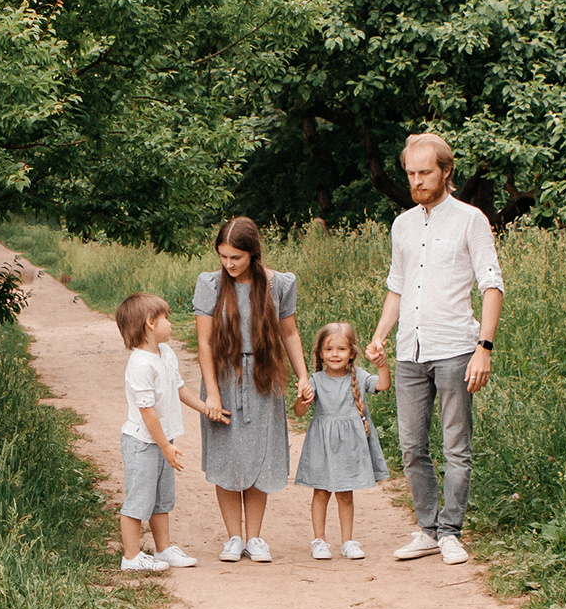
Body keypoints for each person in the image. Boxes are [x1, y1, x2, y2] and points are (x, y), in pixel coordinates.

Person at [365, 132, 504, 565]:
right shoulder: (402, 224)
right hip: (409, 349)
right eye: (411, 173)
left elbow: (492, 284)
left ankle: (451, 532)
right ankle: (426, 528)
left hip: (455, 348)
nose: (417, 181)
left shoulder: (470, 220)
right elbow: (397, 286)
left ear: (446, 170)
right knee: (411, 446)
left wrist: (484, 347)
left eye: (425, 172)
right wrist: (380, 335)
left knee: (455, 445)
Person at [194, 217, 312, 562]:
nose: (229, 264)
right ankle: (233, 537)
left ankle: (255, 538)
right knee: (227, 456)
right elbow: (203, 343)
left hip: (263, 375)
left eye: (236, 258)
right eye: (224, 257)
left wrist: (303, 376)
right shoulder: (210, 284)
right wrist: (212, 393)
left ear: (253, 254)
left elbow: (289, 333)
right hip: (225, 375)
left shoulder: (278, 284)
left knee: (260, 454)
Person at [114, 292, 206, 573]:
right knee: (139, 500)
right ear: (150, 323)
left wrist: (206, 408)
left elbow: (179, 387)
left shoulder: (165, 353)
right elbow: (148, 412)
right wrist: (165, 446)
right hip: (143, 442)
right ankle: (130, 557)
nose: (171, 323)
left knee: (162, 498)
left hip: (163, 441)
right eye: (166, 317)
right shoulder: (140, 364)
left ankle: (163, 549)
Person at [295, 321, 392, 558]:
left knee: (345, 494)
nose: (334, 354)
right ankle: (319, 541)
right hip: (322, 445)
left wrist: (382, 365)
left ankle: (347, 541)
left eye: (341, 349)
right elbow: (298, 412)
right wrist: (303, 397)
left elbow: (383, 384)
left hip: (349, 445)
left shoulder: (358, 376)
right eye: (328, 349)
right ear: (319, 353)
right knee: (320, 492)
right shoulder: (315, 380)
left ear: (351, 353)